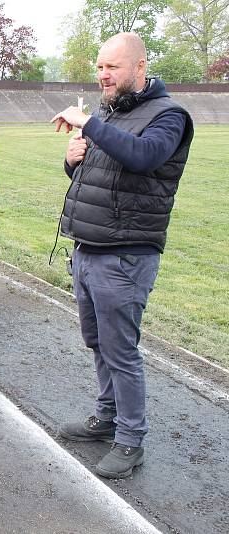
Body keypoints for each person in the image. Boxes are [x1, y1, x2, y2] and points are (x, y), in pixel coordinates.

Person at [51, 33, 193, 479]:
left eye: (112, 67)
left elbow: (144, 157)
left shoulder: (169, 116)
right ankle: (106, 416)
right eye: (99, 67)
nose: (103, 76)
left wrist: (89, 126)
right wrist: (74, 160)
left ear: (139, 67)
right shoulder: (113, 113)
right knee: (98, 342)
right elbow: (99, 173)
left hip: (126, 256)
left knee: (121, 349)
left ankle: (131, 440)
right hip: (89, 248)